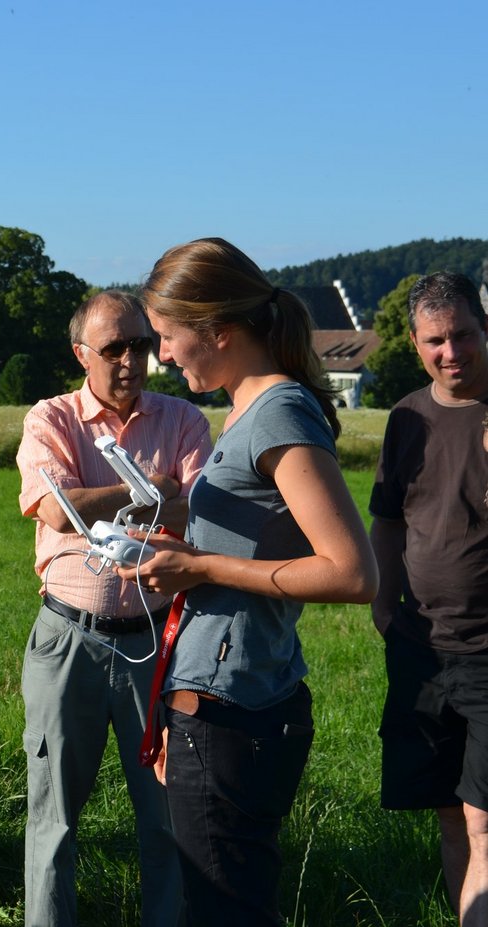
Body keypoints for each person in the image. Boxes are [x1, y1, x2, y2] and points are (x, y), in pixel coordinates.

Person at [121, 238, 377, 926]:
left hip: (236, 715)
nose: (162, 357)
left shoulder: (276, 413)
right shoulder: (247, 408)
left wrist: (199, 566)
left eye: (169, 338)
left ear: (220, 331)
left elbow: (352, 571)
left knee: (226, 909)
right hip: (219, 702)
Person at [16, 290, 211, 927]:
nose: (131, 359)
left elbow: (204, 509)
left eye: (142, 344)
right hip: (69, 639)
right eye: (114, 348)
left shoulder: (183, 419)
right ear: (82, 355)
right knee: (54, 820)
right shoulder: (50, 418)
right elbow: (53, 507)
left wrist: (101, 500)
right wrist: (154, 494)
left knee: (167, 818)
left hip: (159, 642)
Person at [369, 272, 488, 925]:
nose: (452, 352)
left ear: (484, 328)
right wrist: (385, 602)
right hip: (421, 650)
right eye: (436, 340)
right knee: (449, 815)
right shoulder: (408, 416)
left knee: (483, 819)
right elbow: (387, 518)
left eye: (463, 335)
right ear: (415, 343)